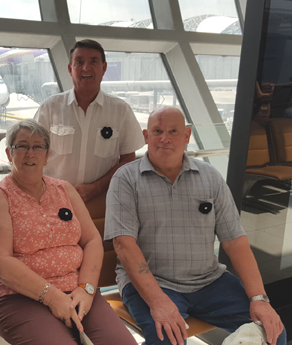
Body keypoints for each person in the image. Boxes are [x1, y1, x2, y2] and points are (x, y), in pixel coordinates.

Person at [104, 107, 286, 345]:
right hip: (154, 283)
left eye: (173, 131)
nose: (165, 138)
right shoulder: (126, 179)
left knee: (273, 332)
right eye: (157, 131)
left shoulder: (210, 177)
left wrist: (259, 299)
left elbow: (235, 241)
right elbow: (124, 245)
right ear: (146, 137)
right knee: (166, 339)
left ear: (187, 136)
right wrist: (158, 302)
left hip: (209, 281)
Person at [0, 119, 137, 345]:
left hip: (77, 291)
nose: (30, 153)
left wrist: (86, 289)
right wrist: (52, 297)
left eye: (38, 147)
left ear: (47, 155)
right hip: (19, 297)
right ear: (9, 153)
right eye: (22, 146)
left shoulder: (64, 190)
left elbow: (92, 240)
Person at [34, 39, 144, 203]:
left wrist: (96, 188)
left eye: (93, 61)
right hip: (54, 200)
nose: (86, 68)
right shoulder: (50, 108)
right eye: (79, 62)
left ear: (104, 68)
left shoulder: (121, 110)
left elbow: (128, 160)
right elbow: (32, 155)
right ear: (70, 69)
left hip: (102, 201)